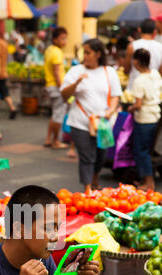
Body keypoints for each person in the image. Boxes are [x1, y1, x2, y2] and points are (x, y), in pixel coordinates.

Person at [61, 38, 122, 193]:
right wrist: (76, 83)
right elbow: (64, 95)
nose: (85, 56)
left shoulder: (109, 72)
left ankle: (94, 179)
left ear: (98, 54)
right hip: (80, 122)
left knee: (101, 156)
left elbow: (115, 95)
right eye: (84, 52)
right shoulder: (76, 71)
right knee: (87, 156)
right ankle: (88, 188)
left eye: (88, 52)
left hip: (102, 123)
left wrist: (111, 110)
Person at [128, 49, 162, 191]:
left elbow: (138, 104)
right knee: (147, 150)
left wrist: (130, 108)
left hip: (144, 119)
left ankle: (149, 183)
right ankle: (146, 180)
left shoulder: (139, 80)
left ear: (136, 62)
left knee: (141, 151)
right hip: (155, 115)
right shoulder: (155, 74)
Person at [44, 27, 69, 150]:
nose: (65, 41)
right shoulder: (57, 52)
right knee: (58, 115)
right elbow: (57, 73)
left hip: (50, 85)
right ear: (55, 39)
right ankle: (55, 141)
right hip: (56, 86)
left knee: (55, 114)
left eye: (65, 38)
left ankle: (49, 138)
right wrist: (63, 88)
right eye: (62, 38)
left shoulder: (49, 50)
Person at [124, 18, 162, 91]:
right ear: (155, 31)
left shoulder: (132, 46)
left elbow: (126, 70)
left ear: (139, 30)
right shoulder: (160, 47)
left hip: (134, 89)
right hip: (153, 90)